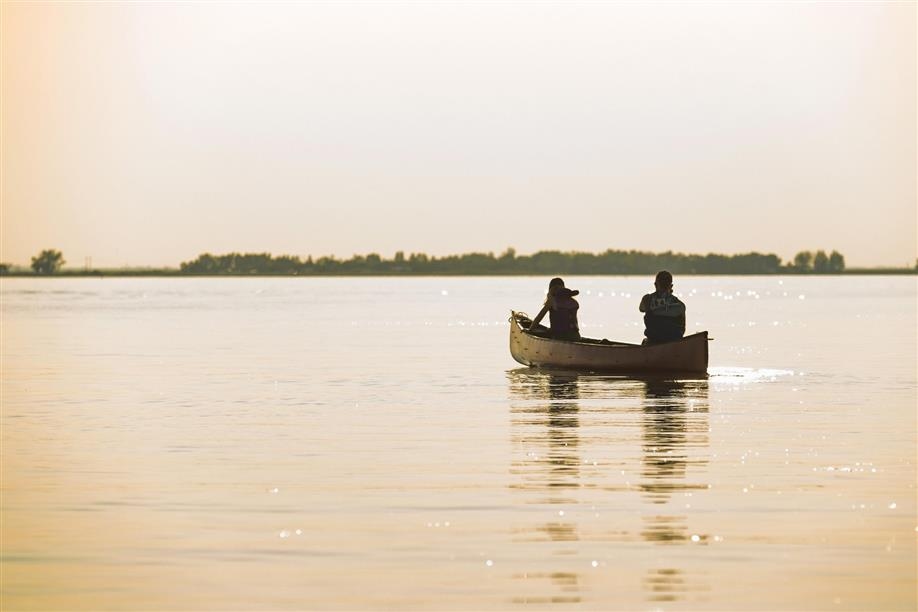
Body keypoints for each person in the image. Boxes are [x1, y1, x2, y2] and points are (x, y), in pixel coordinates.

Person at [528, 277, 581, 341]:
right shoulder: (573, 302)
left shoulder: (552, 301)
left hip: (559, 337)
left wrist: (530, 330)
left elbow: (539, 317)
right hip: (576, 336)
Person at [639, 270, 686, 344]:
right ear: (671, 286)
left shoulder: (647, 299)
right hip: (675, 342)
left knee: (645, 341)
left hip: (653, 342)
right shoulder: (679, 304)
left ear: (655, 285)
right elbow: (682, 329)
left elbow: (641, 309)